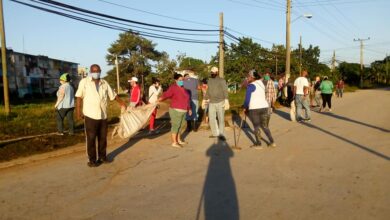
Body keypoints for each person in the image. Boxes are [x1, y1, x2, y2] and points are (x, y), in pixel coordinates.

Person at [75, 64, 126, 167]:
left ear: (100, 71)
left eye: (97, 71)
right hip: (90, 115)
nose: (96, 73)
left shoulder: (104, 83)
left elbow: (113, 95)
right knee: (91, 138)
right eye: (94, 71)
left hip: (103, 115)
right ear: (90, 71)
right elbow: (79, 97)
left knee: (103, 138)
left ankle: (102, 157)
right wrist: (78, 111)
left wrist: (122, 103)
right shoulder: (84, 82)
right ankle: (92, 160)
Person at [243, 70, 276, 148]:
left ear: (252, 77)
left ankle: (258, 144)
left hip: (254, 108)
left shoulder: (251, 86)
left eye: (248, 76)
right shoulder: (261, 83)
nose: (247, 78)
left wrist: (245, 107)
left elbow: (247, 99)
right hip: (264, 107)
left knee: (256, 127)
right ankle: (272, 142)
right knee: (265, 126)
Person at [158, 73, 191, 148]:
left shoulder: (184, 88)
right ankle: (174, 142)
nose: (181, 81)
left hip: (184, 110)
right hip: (175, 110)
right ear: (175, 80)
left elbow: (187, 99)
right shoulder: (173, 87)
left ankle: (179, 140)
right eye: (180, 80)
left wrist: (189, 108)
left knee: (181, 126)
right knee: (176, 126)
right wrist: (160, 99)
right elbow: (166, 94)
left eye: (182, 80)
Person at [205, 67, 228, 141]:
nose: (212, 73)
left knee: (221, 119)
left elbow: (225, 90)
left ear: (217, 72)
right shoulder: (209, 80)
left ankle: (221, 134)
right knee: (211, 118)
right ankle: (215, 133)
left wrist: (226, 99)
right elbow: (208, 90)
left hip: (221, 101)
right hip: (211, 102)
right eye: (211, 72)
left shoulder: (222, 80)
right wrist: (205, 99)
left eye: (214, 72)